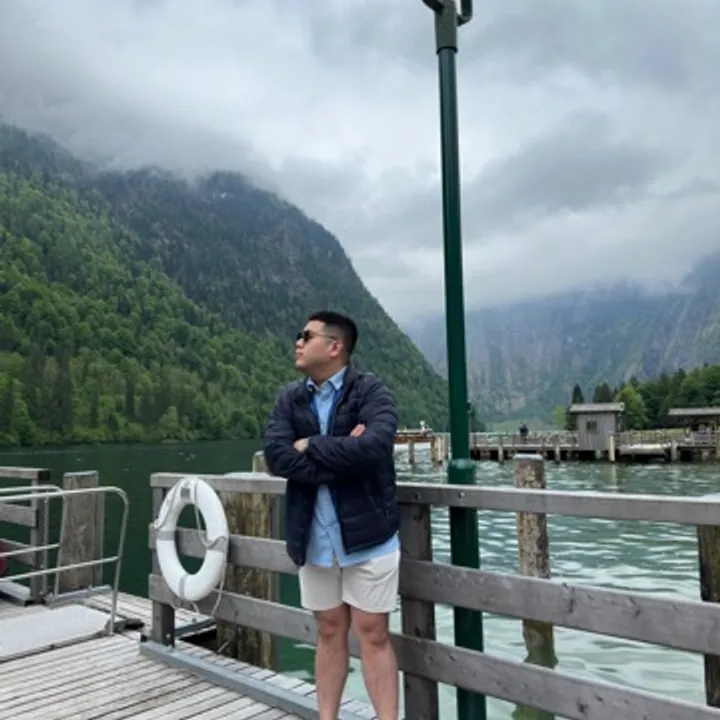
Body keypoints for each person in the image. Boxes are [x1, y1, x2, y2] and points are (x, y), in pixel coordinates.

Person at [263, 310, 400, 720]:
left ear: (335, 346)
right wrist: (343, 455)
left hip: (370, 537)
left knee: (373, 634)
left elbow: (375, 446)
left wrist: (311, 444)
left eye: (305, 336)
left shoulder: (370, 391)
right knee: (328, 631)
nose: (297, 342)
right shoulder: (290, 398)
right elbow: (276, 457)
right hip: (313, 538)